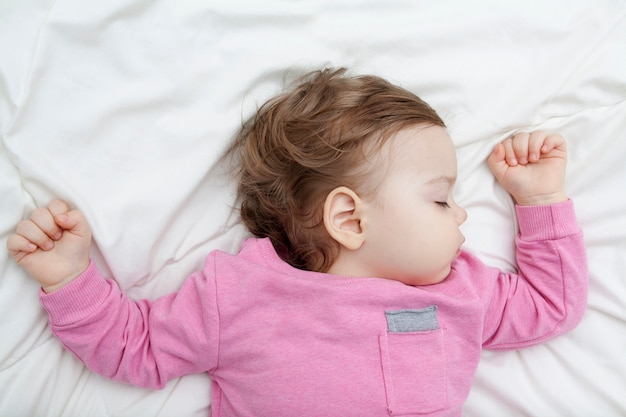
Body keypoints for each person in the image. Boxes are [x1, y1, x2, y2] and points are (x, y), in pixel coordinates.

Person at [7, 68, 587, 416]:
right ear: (349, 219)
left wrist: (539, 204)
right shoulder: (238, 296)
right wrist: (69, 279)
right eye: (440, 198)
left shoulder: (462, 290)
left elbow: (550, 307)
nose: (461, 214)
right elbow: (135, 348)